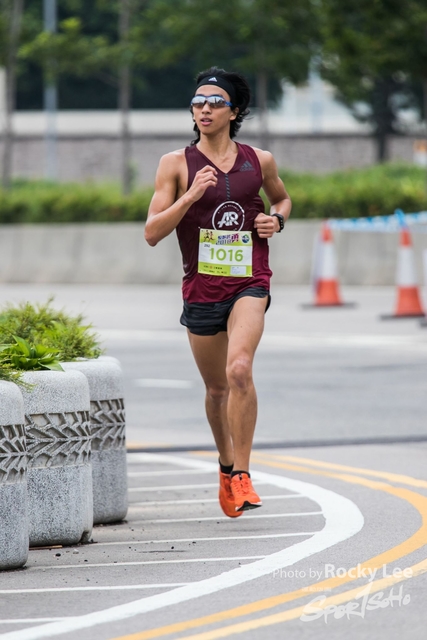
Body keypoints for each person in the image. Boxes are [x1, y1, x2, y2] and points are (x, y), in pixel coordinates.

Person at [145, 66, 291, 517]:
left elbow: (282, 199)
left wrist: (276, 220)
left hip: (250, 280)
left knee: (240, 369)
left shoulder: (259, 160)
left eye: (215, 102)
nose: (204, 109)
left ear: (235, 111)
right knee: (216, 390)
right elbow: (152, 232)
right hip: (202, 287)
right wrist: (189, 197)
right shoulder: (175, 164)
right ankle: (226, 466)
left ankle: (243, 474)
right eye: (198, 102)